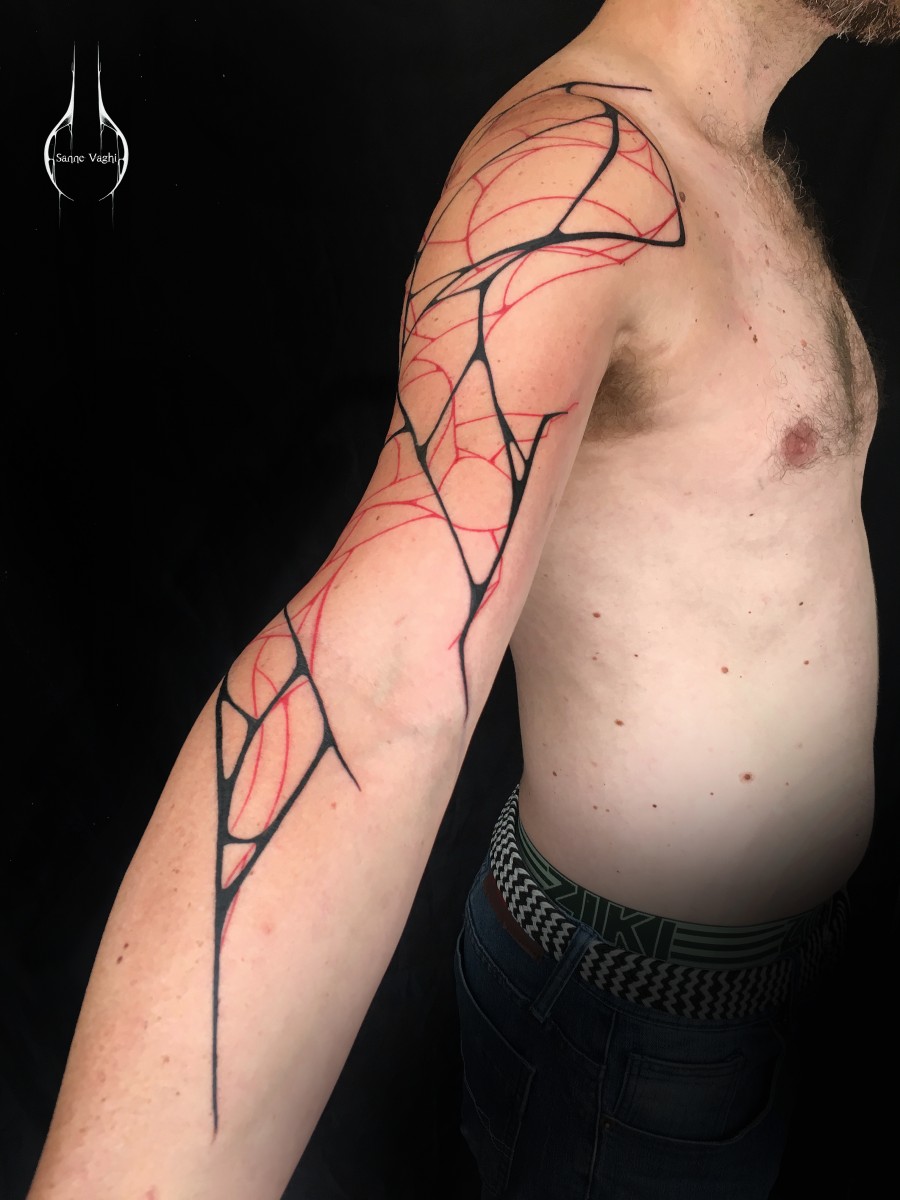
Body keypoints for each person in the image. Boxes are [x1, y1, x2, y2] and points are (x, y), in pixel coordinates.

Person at [26, 2, 895, 1197]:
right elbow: (373, 687)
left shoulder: (724, 151)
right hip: (627, 1041)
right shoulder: (576, 174)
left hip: (757, 1001)